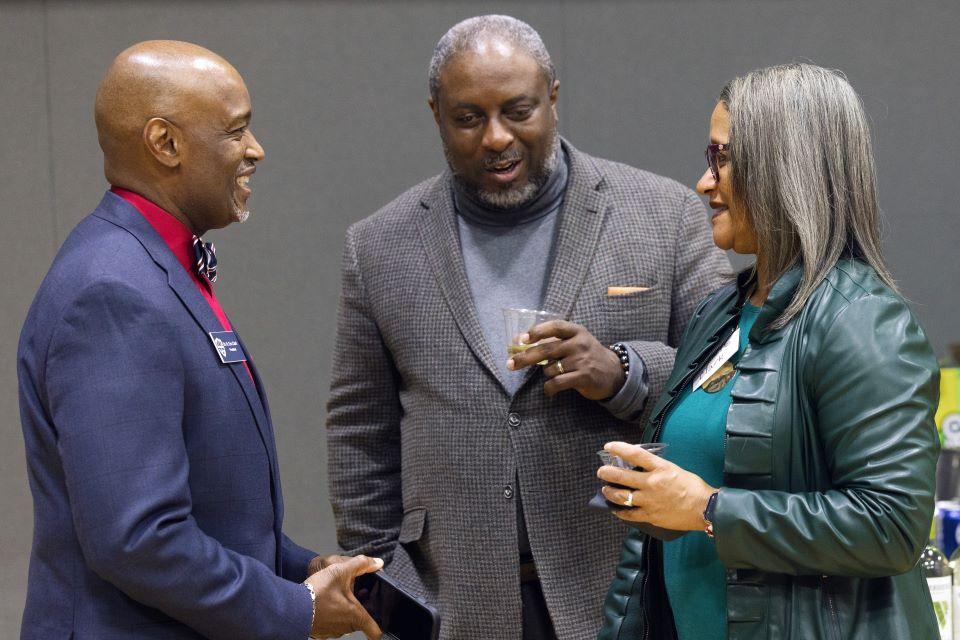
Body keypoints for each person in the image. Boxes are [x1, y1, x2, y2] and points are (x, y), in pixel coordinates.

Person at [326, 15, 728, 640]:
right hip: (453, 602)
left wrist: (623, 373)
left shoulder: (664, 215)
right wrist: (383, 583)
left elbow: (730, 377)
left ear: (554, 99)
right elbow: (359, 428)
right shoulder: (378, 246)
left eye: (518, 111)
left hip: (626, 589)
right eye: (468, 118)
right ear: (435, 113)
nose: (496, 137)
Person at [17, 40, 381, 640]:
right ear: (166, 143)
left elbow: (209, 508)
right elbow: (137, 539)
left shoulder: (152, 266)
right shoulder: (113, 292)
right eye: (236, 132)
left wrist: (297, 570)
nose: (255, 150)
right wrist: (297, 610)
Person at [596, 63, 940, 639]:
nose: (704, 183)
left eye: (721, 159)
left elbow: (892, 526)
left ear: (784, 169)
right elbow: (655, 532)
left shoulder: (862, 319)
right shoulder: (718, 313)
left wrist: (710, 511)